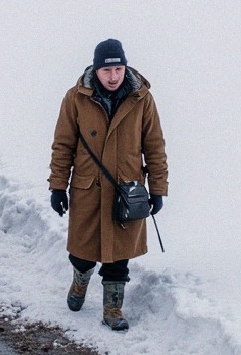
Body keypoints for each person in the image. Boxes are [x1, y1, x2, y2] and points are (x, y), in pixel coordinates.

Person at [48, 39, 168, 331]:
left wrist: (158, 189)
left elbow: (154, 146)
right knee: (82, 251)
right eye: (107, 70)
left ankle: (112, 309)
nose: (113, 76)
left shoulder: (142, 99)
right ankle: (80, 278)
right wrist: (57, 187)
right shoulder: (75, 98)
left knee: (118, 255)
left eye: (118, 68)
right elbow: (63, 146)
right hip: (88, 190)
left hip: (126, 192)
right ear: (96, 70)